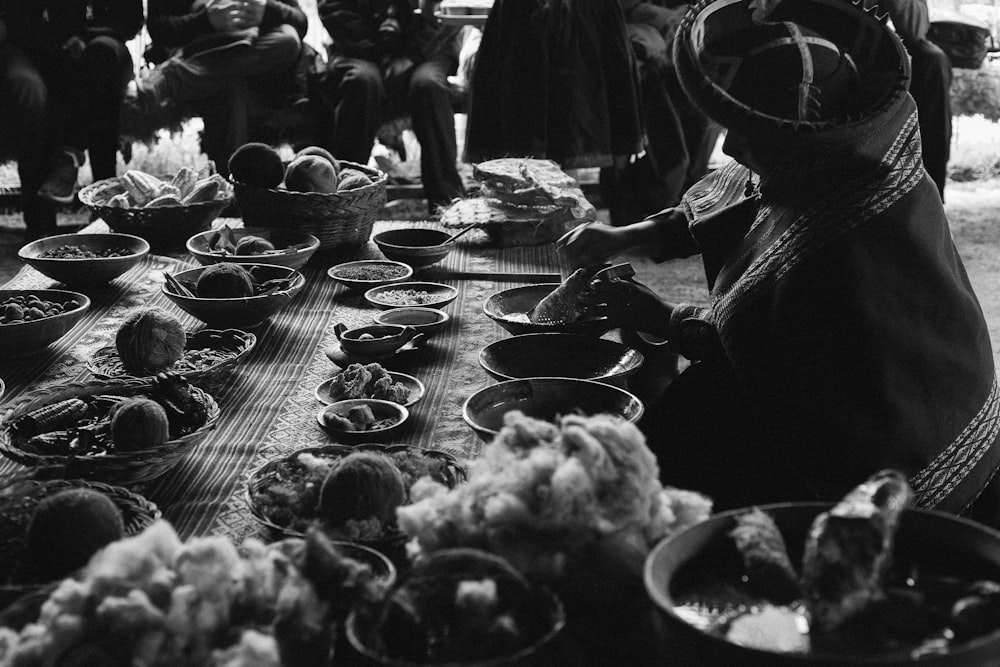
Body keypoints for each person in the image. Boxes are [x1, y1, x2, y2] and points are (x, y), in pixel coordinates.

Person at [558, 0, 1000, 523]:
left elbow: (772, 356)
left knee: (663, 478)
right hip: (838, 388)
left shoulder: (844, 236)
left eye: (747, 135)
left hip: (897, 452)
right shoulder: (823, 151)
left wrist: (659, 317)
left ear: (801, 139)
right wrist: (625, 237)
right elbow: (739, 193)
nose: (729, 146)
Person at [0, 0, 142, 240]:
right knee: (47, 90)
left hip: (105, 47)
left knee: (100, 60)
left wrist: (84, 36)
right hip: (55, 49)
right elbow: (36, 22)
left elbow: (130, 22)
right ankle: (41, 218)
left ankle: (99, 201)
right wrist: (66, 44)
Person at [313, 0, 463, 210]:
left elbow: (444, 13)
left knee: (428, 86)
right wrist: (380, 55)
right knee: (362, 81)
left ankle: (447, 200)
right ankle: (344, 197)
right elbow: (335, 10)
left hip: (426, 49)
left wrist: (410, 55)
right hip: (357, 47)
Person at [137, 0, 307, 175]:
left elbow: (301, 21)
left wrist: (268, 10)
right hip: (197, 48)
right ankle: (233, 186)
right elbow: (159, 29)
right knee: (229, 85)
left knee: (288, 40)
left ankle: (173, 76)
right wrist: (205, 20)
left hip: (255, 54)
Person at [877, 0, 953, 200]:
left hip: (863, 41)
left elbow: (914, 29)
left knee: (933, 60)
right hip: (818, 28)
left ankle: (929, 190)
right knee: (932, 60)